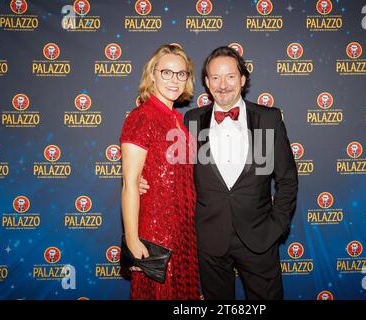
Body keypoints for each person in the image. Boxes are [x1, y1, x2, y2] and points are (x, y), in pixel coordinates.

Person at [140, 46, 298, 300]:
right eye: (215, 77)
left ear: (243, 80)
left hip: (260, 238)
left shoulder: (269, 118)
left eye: (230, 77)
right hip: (209, 239)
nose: (223, 85)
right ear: (206, 82)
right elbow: (172, 170)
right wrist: (141, 181)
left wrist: (278, 225)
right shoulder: (190, 120)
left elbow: (287, 179)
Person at [120, 44, 199, 300]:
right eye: (166, 72)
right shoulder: (142, 116)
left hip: (185, 231)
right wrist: (132, 240)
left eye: (181, 74)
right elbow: (130, 183)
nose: (174, 80)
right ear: (152, 74)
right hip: (156, 231)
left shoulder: (177, 119)